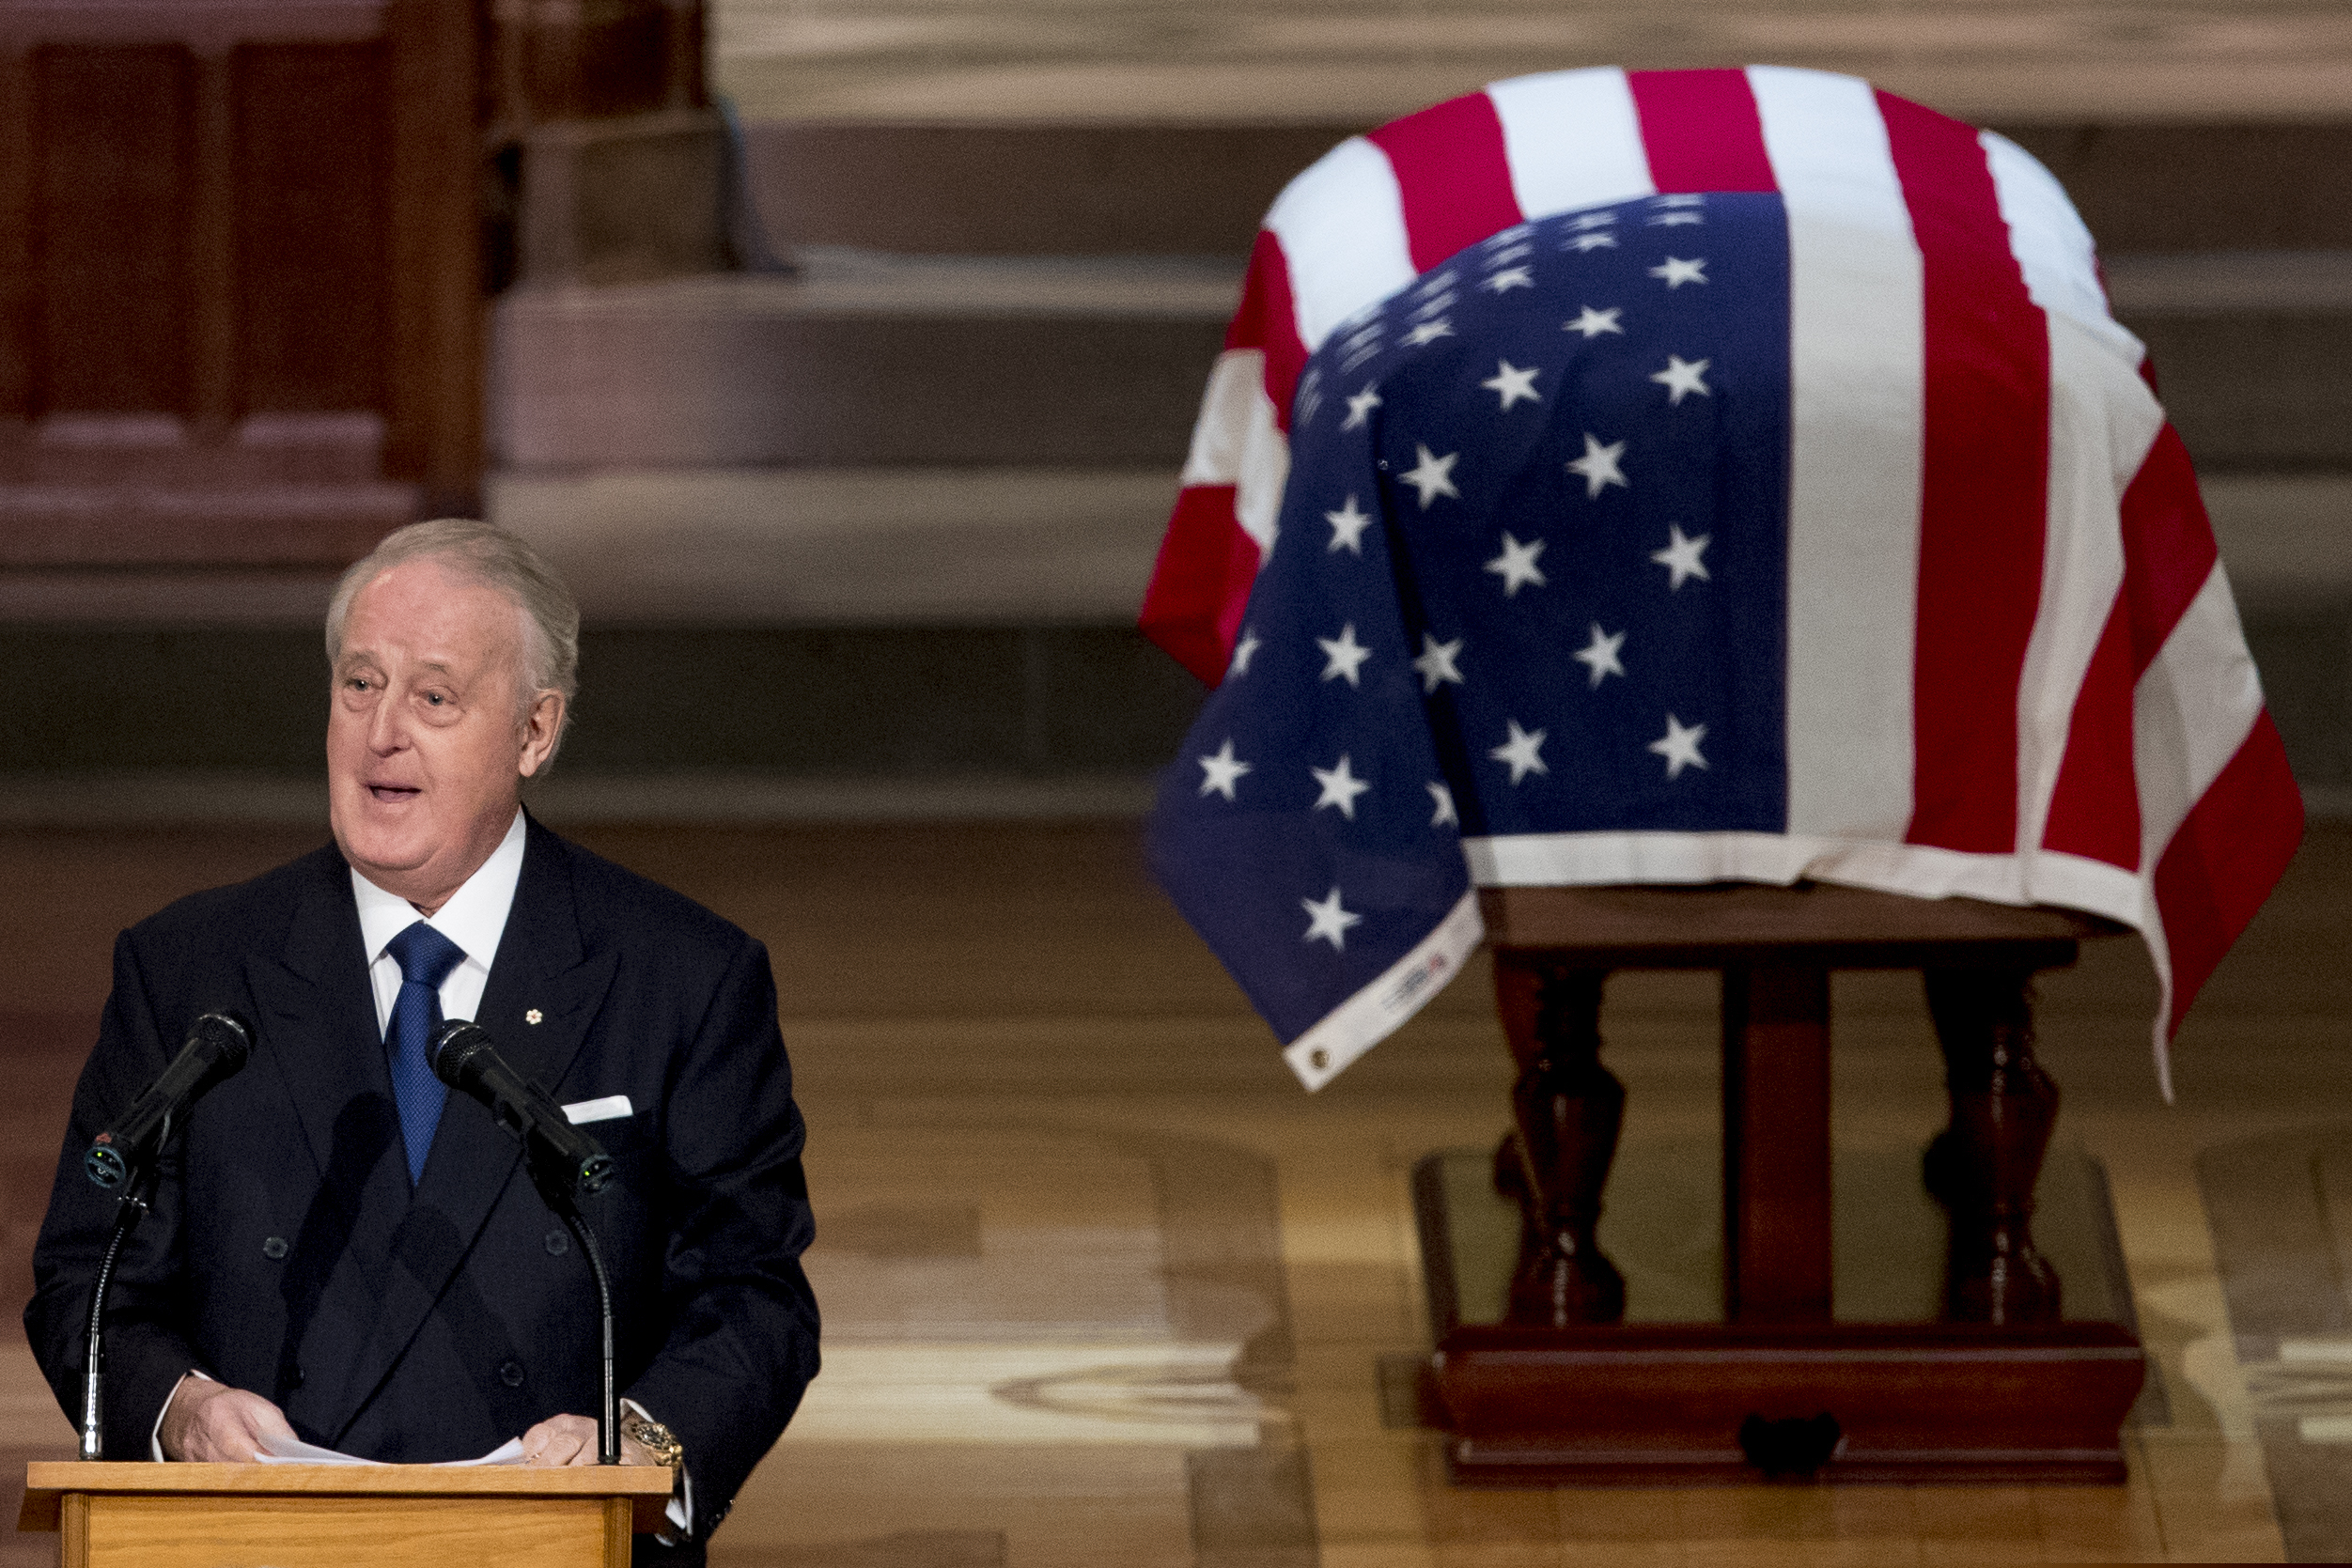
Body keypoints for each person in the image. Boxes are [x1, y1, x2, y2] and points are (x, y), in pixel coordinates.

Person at [25, 519, 818, 1563]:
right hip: (250, 1543)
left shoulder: (682, 976)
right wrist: (179, 1411)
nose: (381, 731)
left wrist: (636, 1447)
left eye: (434, 697)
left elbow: (753, 1296)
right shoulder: (191, 970)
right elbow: (90, 1271)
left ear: (536, 732)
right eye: (360, 684)